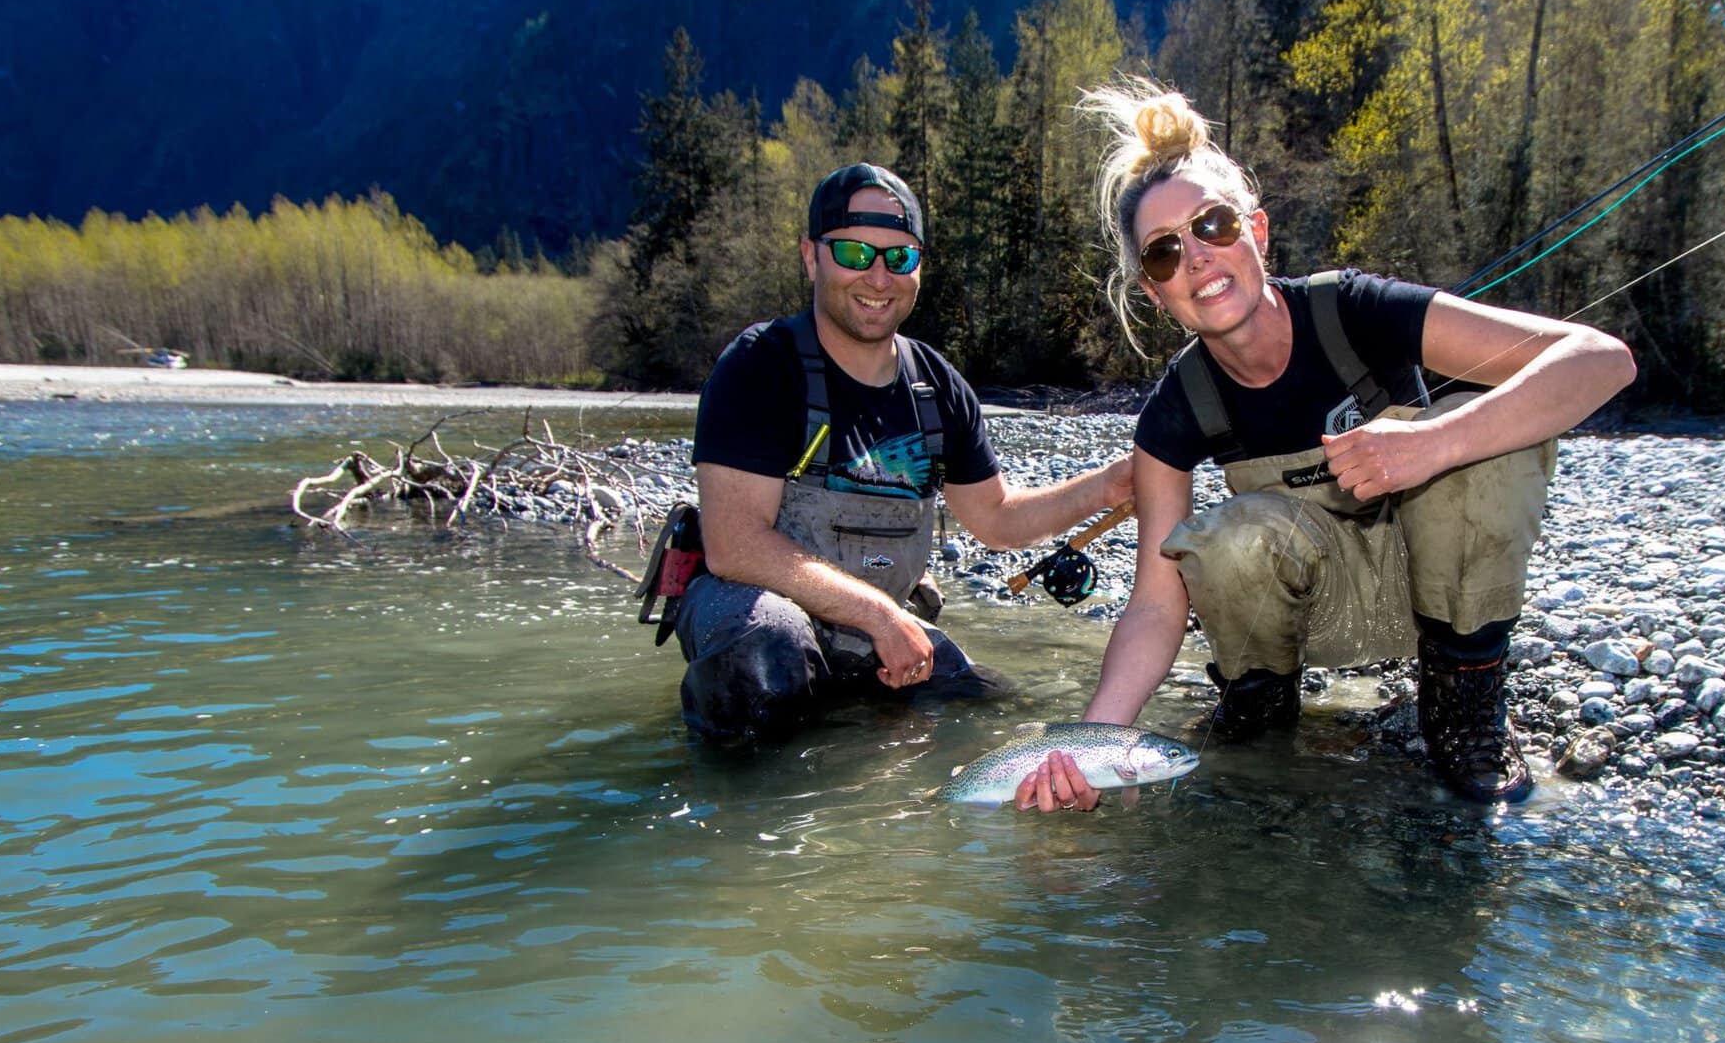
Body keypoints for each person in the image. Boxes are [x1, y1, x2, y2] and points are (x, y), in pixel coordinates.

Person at [1014, 83, 1635, 811]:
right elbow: (1155, 603)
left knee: (1481, 441)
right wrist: (1094, 744)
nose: (1197, 260)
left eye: (1213, 225)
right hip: (1318, 619)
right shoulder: (1176, 410)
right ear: (1155, 292)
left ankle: (1463, 704)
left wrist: (1434, 442)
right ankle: (1262, 710)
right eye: (1163, 253)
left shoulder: (1357, 310)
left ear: (1259, 232)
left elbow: (1602, 358)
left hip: (1439, 595)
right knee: (1218, 540)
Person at [672, 162, 1131, 743]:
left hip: (875, 629)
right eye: (856, 254)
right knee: (767, 663)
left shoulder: (937, 388)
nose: (879, 277)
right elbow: (734, 546)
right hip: (760, 615)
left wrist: (1110, 485)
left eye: (900, 257)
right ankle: (741, 819)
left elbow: (996, 518)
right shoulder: (761, 367)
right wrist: (882, 617)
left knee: (988, 710)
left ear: (919, 267)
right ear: (812, 258)